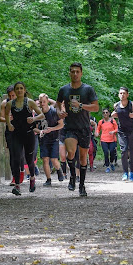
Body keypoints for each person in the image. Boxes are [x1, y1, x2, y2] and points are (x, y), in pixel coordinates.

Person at [56, 62, 99, 197]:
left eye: (77, 72)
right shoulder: (64, 89)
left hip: (84, 127)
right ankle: (73, 177)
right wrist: (59, 112)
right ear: (69, 73)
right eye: (72, 71)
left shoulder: (88, 89)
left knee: (82, 158)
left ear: (81, 73)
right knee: (70, 151)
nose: (75, 74)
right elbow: (57, 103)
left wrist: (81, 105)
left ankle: (82, 185)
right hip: (70, 127)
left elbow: (96, 107)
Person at [5, 82, 45, 195]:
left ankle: (32, 178)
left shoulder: (30, 102)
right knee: (16, 158)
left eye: (21, 88)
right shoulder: (10, 104)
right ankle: (17, 185)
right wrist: (9, 125)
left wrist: (34, 119)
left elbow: (42, 115)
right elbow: (6, 114)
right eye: (17, 89)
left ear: (24, 90)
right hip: (16, 134)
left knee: (29, 159)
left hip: (28, 134)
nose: (19, 90)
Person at [111, 87, 133, 182]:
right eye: (120, 93)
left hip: (132, 130)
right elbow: (116, 113)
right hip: (121, 131)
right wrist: (114, 115)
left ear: (127, 95)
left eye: (124, 93)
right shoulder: (116, 105)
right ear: (118, 95)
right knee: (124, 151)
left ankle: (132, 172)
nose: (122, 95)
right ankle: (125, 173)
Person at [0, 85, 25, 186]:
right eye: (10, 96)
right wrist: (8, 119)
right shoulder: (5, 104)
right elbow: (0, 118)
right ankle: (15, 177)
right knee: (12, 154)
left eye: (13, 95)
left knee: (20, 153)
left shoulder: (23, 102)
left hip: (21, 130)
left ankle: (22, 170)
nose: (11, 98)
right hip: (10, 130)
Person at [37, 93, 65, 186]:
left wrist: (52, 129)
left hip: (54, 138)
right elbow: (34, 127)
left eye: (44, 101)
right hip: (44, 139)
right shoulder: (38, 113)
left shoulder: (53, 112)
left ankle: (59, 169)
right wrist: (40, 131)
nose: (42, 103)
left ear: (47, 101)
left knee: (53, 159)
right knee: (45, 159)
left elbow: (61, 124)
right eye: (41, 102)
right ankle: (48, 179)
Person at [95, 108, 118, 173]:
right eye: (104, 112)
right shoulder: (101, 122)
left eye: (106, 112)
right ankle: (107, 166)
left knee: (112, 152)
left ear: (109, 113)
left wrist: (113, 131)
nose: (105, 114)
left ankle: (111, 162)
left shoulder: (112, 121)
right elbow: (98, 129)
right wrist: (97, 133)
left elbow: (117, 129)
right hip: (103, 139)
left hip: (112, 139)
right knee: (106, 152)